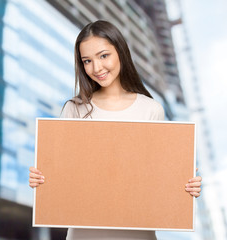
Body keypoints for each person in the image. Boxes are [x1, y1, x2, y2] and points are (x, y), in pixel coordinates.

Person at [29, 20, 202, 240]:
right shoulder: (75, 109)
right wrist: (42, 180)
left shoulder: (150, 109)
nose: (97, 68)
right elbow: (62, 179)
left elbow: (157, 183)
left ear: (120, 51)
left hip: (137, 233)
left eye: (103, 56)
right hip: (85, 233)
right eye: (87, 61)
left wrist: (184, 187)